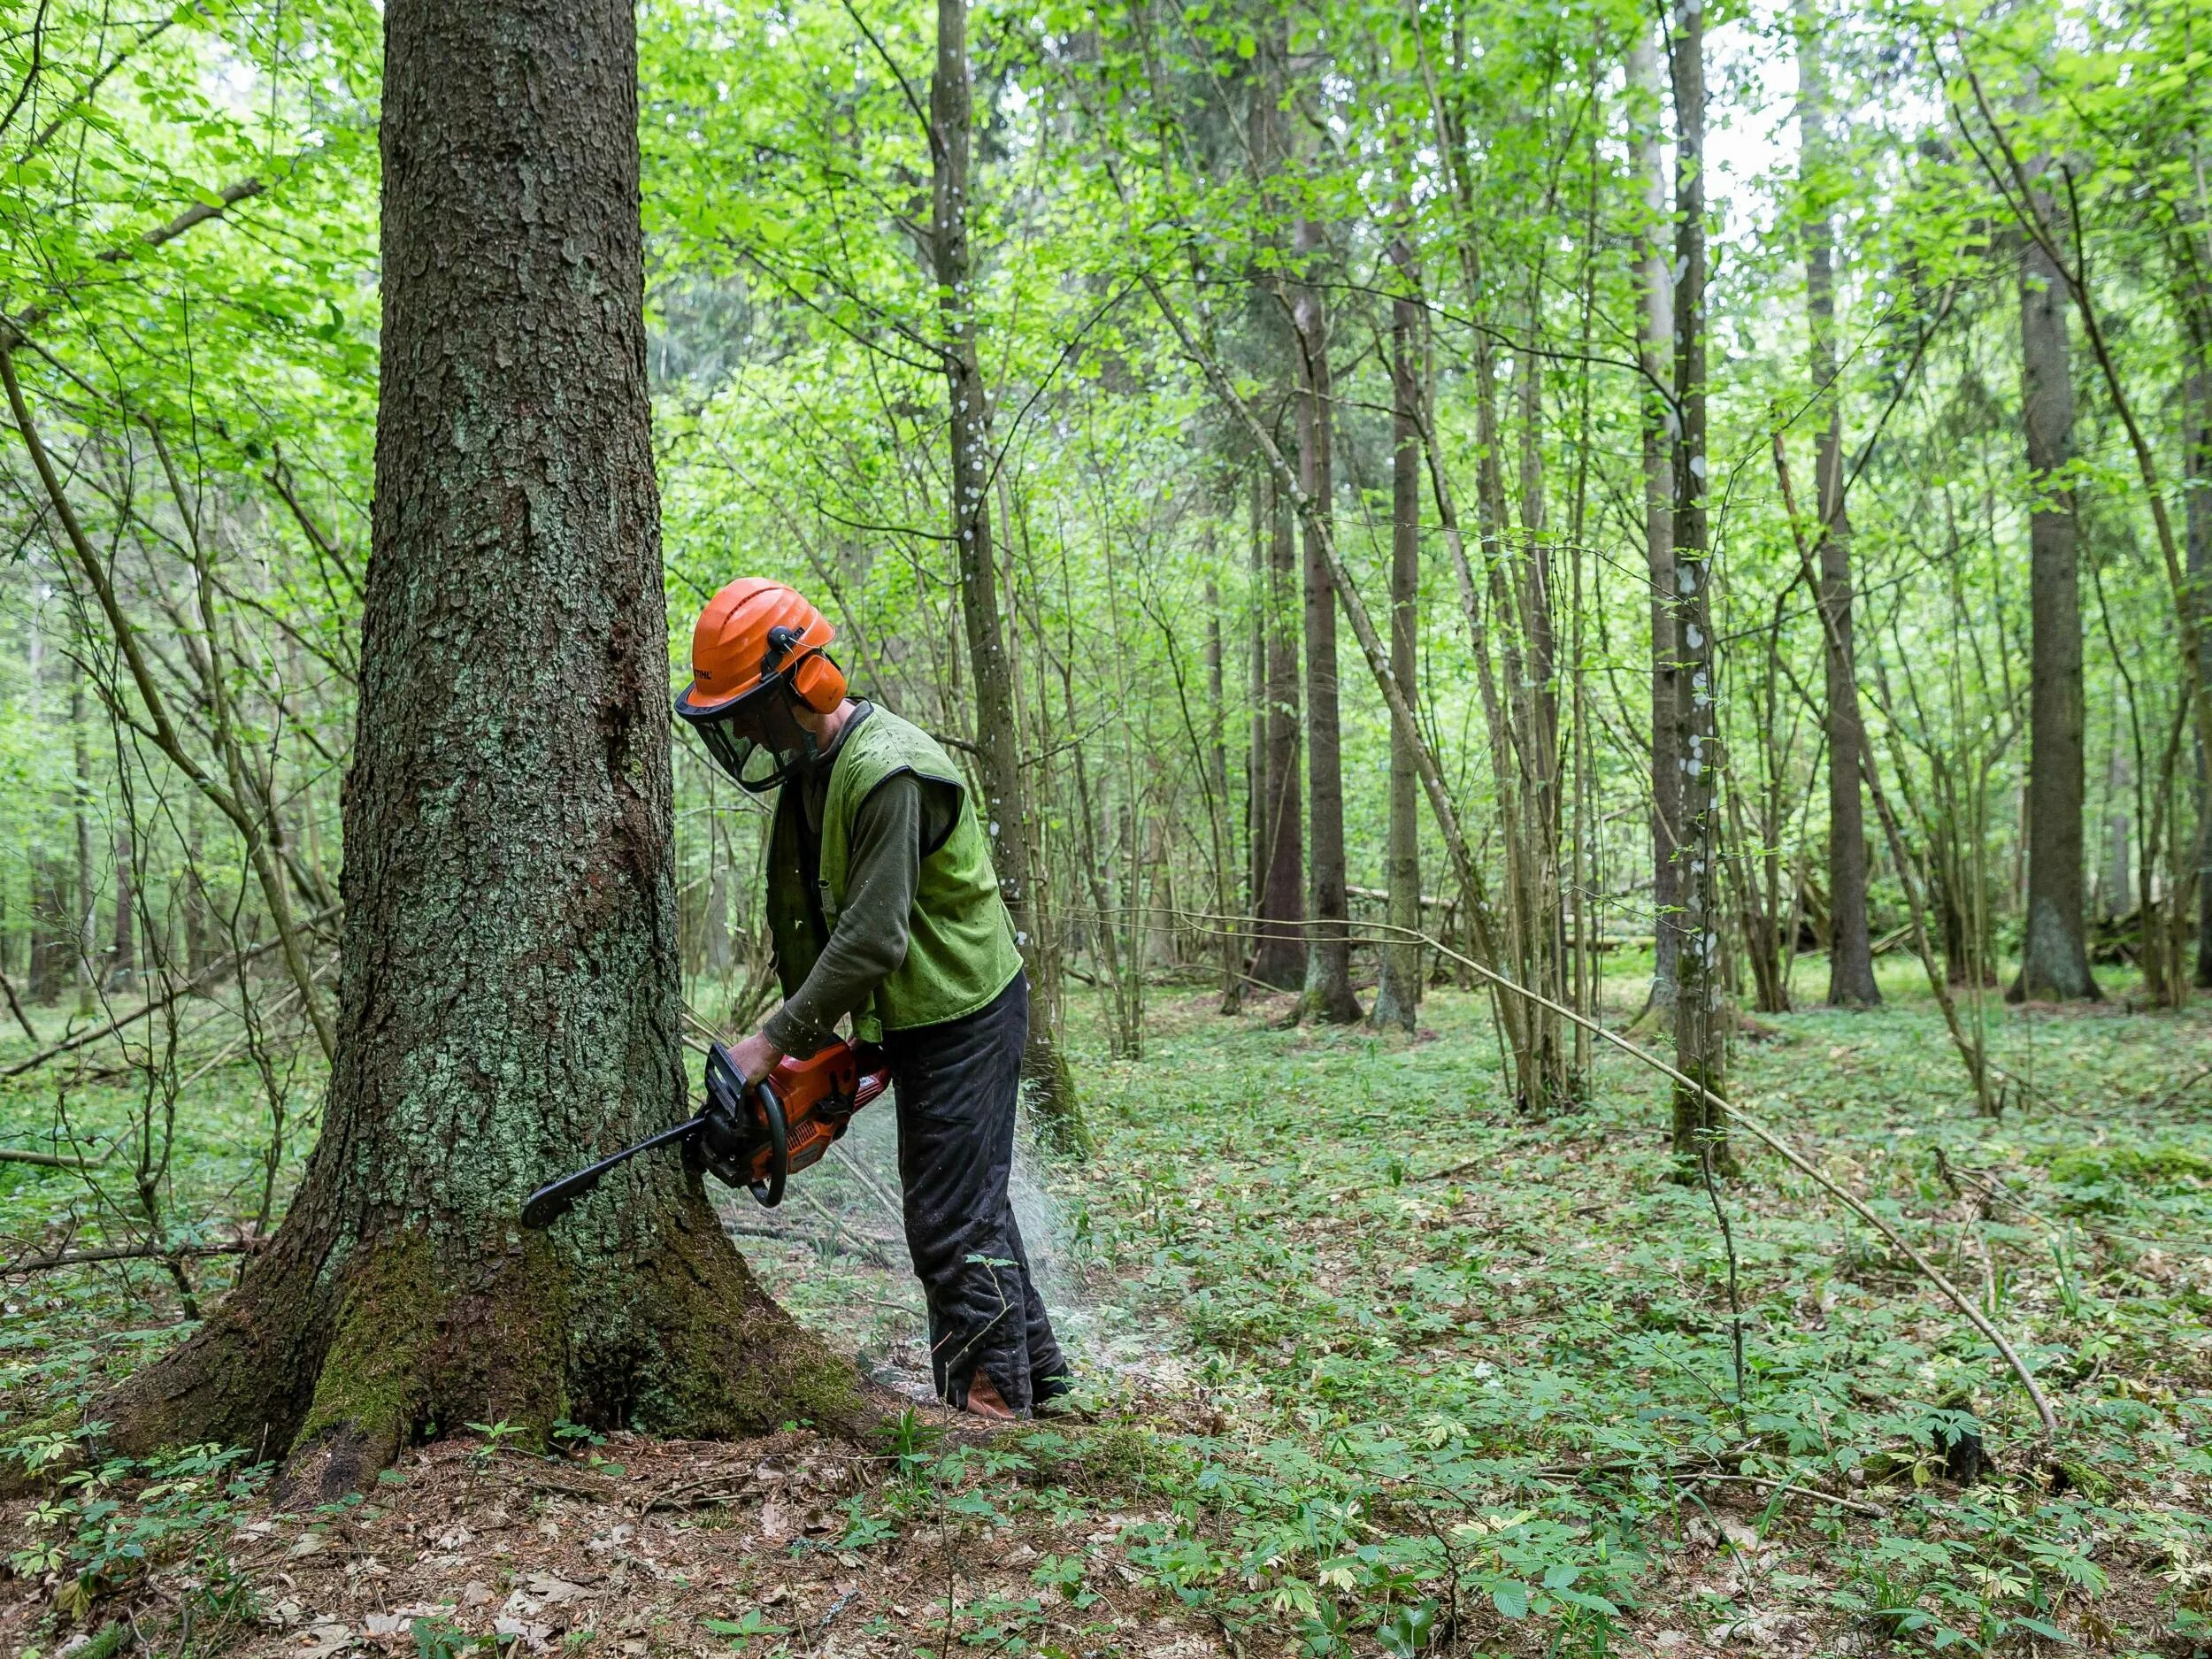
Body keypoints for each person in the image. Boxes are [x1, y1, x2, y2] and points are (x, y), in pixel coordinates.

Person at [674, 577, 1069, 1419]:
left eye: (750, 708)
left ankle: (994, 1412)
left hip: (964, 1007)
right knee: (971, 1205)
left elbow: (874, 936)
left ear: (802, 685)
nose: (742, 729)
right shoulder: (814, 774)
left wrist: (769, 1042)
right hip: (918, 1011)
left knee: (947, 1220)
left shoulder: (887, 771)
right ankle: (1043, 1382)